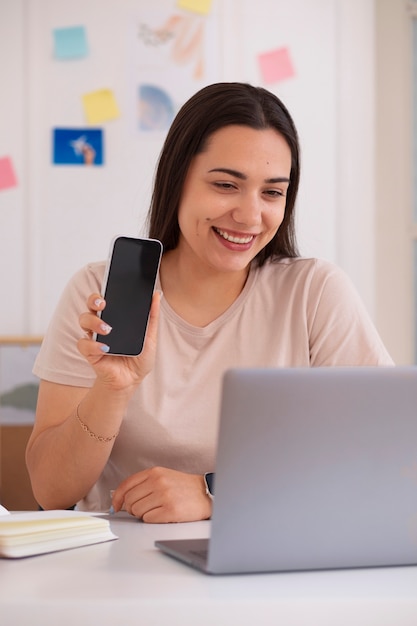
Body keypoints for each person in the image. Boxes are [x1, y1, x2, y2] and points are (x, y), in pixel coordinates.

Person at [26, 82, 393, 523]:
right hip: (118, 566)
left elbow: (385, 452)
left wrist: (213, 494)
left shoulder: (314, 293)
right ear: (177, 179)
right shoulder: (99, 291)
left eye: (272, 192)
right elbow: (51, 492)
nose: (250, 215)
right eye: (225, 185)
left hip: (269, 556)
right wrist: (113, 389)